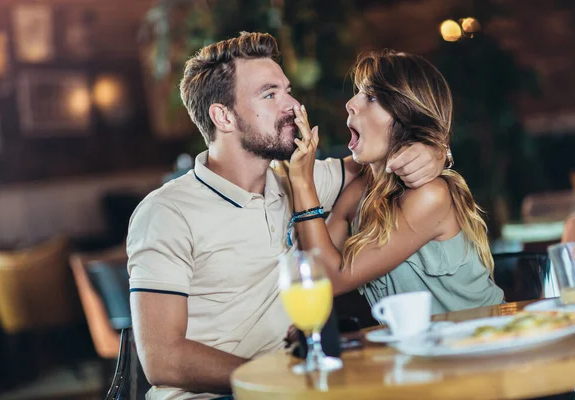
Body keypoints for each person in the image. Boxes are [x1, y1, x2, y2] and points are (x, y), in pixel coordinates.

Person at [126, 34, 445, 399]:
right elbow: (162, 358)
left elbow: (379, 158)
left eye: (287, 90)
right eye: (270, 94)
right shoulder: (166, 213)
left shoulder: (295, 179)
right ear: (223, 116)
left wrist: (433, 148)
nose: (293, 104)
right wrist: (276, 380)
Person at [288, 49, 504, 315]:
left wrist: (302, 183)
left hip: (483, 342)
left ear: (406, 115)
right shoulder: (359, 192)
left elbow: (331, 279)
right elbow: (313, 266)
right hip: (420, 352)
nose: (350, 104)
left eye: (372, 97)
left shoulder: (430, 195)